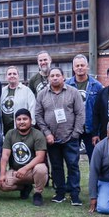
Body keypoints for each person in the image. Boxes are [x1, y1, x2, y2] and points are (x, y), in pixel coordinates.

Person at [35, 67, 85, 205]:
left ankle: (75, 194)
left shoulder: (73, 92)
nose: (55, 78)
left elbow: (80, 113)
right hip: (52, 139)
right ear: (48, 78)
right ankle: (60, 193)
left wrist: (75, 134)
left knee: (73, 165)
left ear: (64, 77)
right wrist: (46, 133)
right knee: (56, 166)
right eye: (52, 76)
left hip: (70, 137)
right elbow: (38, 115)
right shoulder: (42, 94)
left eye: (58, 75)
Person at [0, 108, 48, 206]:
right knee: (2, 185)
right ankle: (24, 187)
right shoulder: (10, 133)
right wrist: (2, 174)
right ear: (15, 121)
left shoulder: (38, 134)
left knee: (41, 168)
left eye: (25, 119)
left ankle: (37, 193)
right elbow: (5, 156)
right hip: (16, 171)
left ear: (31, 120)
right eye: (19, 119)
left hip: (32, 171)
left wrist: (25, 168)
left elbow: (40, 157)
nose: (21, 122)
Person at [65, 54, 103, 157]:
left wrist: (98, 131)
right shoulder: (66, 85)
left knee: (94, 158)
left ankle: (94, 174)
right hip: (73, 128)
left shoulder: (97, 86)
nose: (80, 68)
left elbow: (101, 110)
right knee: (72, 161)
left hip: (91, 128)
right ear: (73, 68)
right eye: (77, 66)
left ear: (87, 66)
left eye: (82, 65)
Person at [0, 66, 36, 134]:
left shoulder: (26, 90)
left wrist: (31, 124)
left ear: (18, 76)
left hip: (22, 129)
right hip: (5, 130)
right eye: (9, 74)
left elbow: (32, 107)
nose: (12, 76)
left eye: (14, 74)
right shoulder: (2, 91)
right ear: (6, 77)